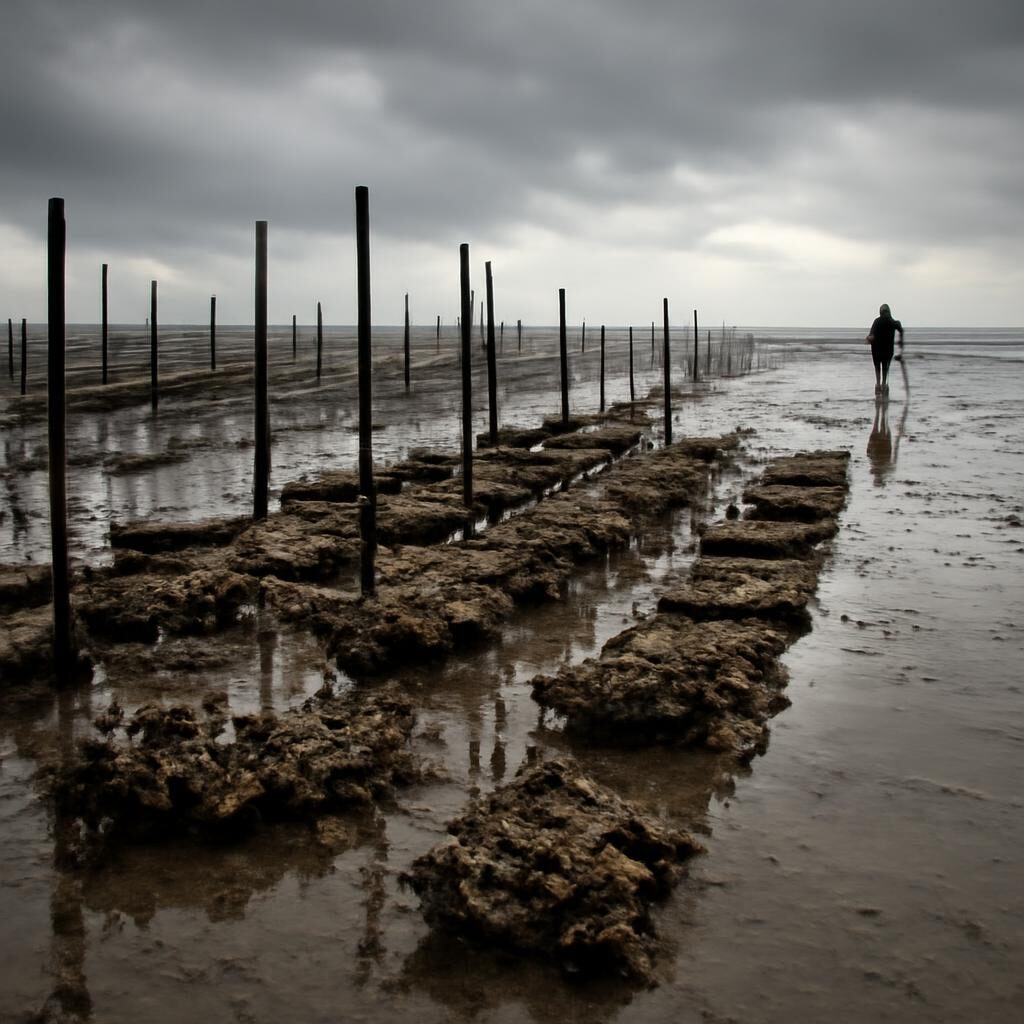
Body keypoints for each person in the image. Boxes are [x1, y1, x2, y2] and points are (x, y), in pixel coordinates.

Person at [865, 303, 904, 397]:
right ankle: (883, 385)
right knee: (885, 368)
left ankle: (878, 386)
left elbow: (871, 334)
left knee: (877, 367)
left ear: (880, 312)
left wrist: (869, 338)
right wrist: (900, 339)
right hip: (888, 350)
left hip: (877, 350)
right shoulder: (892, 321)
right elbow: (900, 329)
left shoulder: (877, 321)